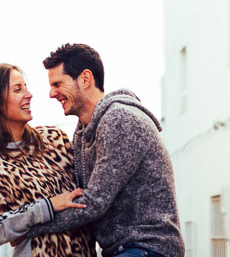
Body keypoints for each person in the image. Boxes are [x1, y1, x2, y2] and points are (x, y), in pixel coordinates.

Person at [20, 43, 185, 257]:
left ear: (85, 79)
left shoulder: (120, 119)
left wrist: (27, 227)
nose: (52, 93)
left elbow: (92, 203)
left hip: (148, 247)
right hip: (119, 249)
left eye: (58, 83)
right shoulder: (83, 131)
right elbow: (76, 194)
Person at [0, 62, 96, 257]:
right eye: (18, 89)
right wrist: (47, 207)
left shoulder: (55, 139)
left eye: (26, 87)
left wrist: (26, 225)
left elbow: (89, 193)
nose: (29, 94)